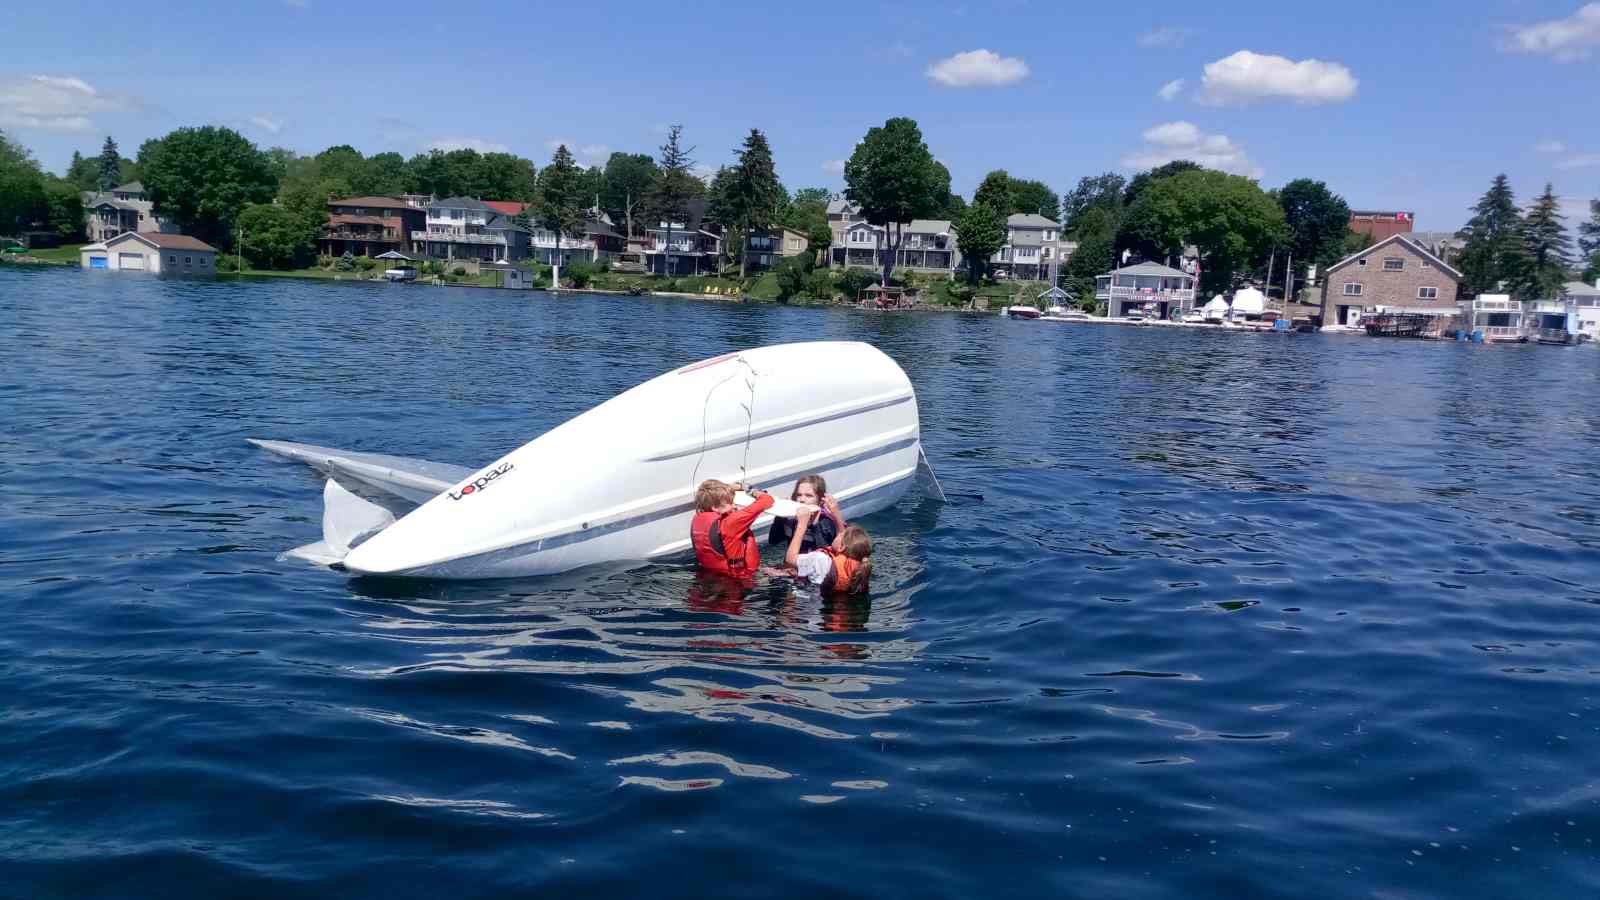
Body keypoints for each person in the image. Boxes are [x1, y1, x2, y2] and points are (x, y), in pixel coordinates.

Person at [690, 479, 773, 580]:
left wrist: (733, 488)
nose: (734, 505)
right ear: (715, 507)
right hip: (738, 580)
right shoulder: (732, 523)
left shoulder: (698, 519)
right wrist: (752, 490)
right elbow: (767, 500)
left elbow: (709, 493)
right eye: (730, 502)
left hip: (708, 576)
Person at [782, 505, 872, 595]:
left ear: (841, 547)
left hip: (807, 605)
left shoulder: (820, 559)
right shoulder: (859, 568)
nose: (838, 534)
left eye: (840, 535)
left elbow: (789, 560)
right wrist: (836, 515)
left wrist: (801, 525)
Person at [767, 475, 843, 554]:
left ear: (820, 500)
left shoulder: (826, 523)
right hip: (795, 564)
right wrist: (781, 515)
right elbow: (773, 541)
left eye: (809, 496)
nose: (802, 500)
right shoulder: (791, 520)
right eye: (799, 495)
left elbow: (824, 553)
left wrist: (814, 526)